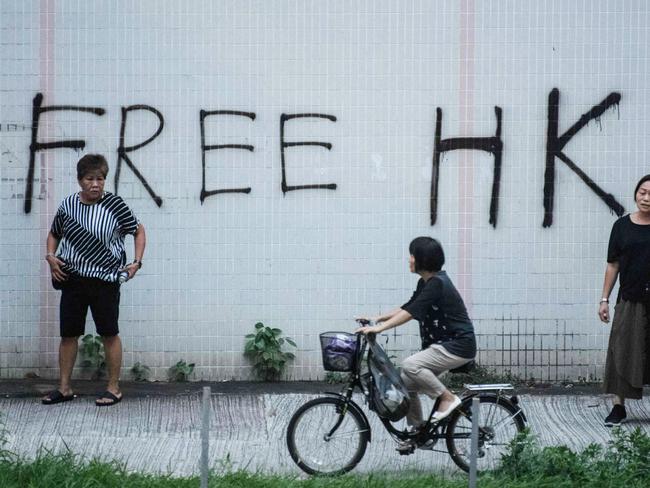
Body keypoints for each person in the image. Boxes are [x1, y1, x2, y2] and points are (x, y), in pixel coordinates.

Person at [42, 154, 146, 407]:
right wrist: (50, 257)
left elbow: (138, 230)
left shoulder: (115, 205)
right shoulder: (68, 206)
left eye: (100, 178)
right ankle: (64, 388)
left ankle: (113, 388)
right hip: (73, 278)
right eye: (90, 179)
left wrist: (136, 262)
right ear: (80, 180)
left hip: (105, 280)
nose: (96, 184)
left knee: (109, 333)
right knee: (69, 334)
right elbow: (54, 234)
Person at [356, 236, 475, 449]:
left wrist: (379, 329)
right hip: (445, 345)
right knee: (404, 382)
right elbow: (409, 306)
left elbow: (411, 313)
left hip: (458, 345)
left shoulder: (438, 283)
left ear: (422, 259)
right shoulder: (427, 282)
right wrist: (377, 319)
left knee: (411, 365)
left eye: (411, 256)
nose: (409, 260)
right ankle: (419, 431)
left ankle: (447, 398)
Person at [598, 174, 650, 426]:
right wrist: (604, 299)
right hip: (629, 299)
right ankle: (618, 408)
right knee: (622, 351)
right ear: (635, 193)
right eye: (643, 192)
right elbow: (613, 264)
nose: (647, 198)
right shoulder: (621, 226)